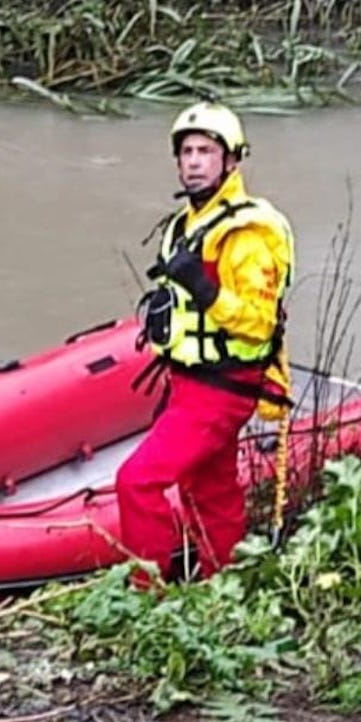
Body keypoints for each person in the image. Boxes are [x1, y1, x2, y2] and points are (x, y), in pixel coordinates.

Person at [116, 102, 294, 581]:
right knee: (211, 490)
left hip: (222, 388)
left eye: (206, 152)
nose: (193, 161)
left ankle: (145, 593)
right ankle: (223, 582)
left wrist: (206, 288)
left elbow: (257, 323)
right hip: (188, 381)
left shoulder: (248, 233)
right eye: (187, 152)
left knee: (137, 482)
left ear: (230, 161)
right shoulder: (183, 225)